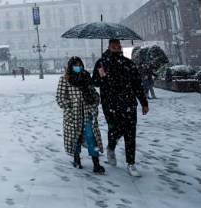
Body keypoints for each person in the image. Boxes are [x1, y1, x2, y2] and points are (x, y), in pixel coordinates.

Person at [92, 39, 149, 177]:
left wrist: (143, 102)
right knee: (115, 129)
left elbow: (137, 84)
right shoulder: (101, 63)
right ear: (109, 47)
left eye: (119, 45)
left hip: (129, 103)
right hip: (110, 104)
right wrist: (101, 75)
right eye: (114, 46)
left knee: (130, 133)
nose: (117, 47)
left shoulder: (128, 63)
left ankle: (131, 163)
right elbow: (95, 82)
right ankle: (111, 147)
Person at [57, 57, 105, 174]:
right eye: (76, 65)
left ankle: (96, 163)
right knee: (76, 137)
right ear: (71, 66)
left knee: (91, 136)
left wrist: (95, 101)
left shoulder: (86, 77)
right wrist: (71, 105)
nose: (78, 67)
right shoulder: (64, 79)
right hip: (73, 115)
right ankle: (76, 159)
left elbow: (94, 94)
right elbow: (60, 98)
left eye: (80, 65)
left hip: (88, 113)